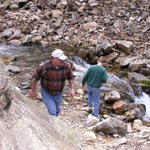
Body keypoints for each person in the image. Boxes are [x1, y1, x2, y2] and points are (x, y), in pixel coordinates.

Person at [29, 49, 75, 117]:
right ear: (54, 59)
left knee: (57, 110)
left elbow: (71, 78)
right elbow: (34, 79)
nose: (63, 61)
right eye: (61, 60)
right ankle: (54, 125)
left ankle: (54, 121)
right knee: (52, 112)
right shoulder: (43, 66)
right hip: (46, 92)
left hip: (59, 93)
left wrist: (72, 89)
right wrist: (33, 91)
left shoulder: (66, 66)